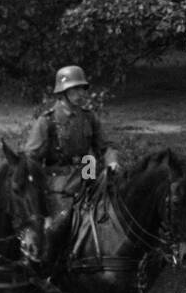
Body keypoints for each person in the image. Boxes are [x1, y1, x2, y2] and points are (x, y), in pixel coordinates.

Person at [22, 65, 119, 261]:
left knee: (112, 212)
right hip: (59, 187)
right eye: (74, 90)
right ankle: (47, 267)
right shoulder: (47, 121)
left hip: (88, 177)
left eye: (81, 89)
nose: (79, 94)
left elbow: (106, 146)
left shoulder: (89, 117)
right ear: (63, 92)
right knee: (60, 225)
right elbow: (30, 158)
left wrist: (112, 163)